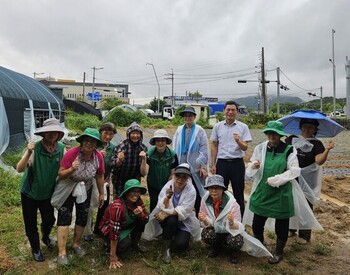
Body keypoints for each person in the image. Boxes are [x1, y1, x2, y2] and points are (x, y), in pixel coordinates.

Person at [244, 121, 301, 264]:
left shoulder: (289, 149)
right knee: (257, 221)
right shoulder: (261, 148)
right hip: (263, 190)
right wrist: (254, 166)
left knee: (281, 223)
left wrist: (277, 179)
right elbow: (251, 167)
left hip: (281, 191)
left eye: (274, 133)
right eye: (269, 133)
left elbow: (294, 170)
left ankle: (279, 252)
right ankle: (259, 244)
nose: (271, 136)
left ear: (280, 135)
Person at [53, 128, 105, 265]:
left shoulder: (98, 156)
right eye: (86, 140)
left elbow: (100, 176)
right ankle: (62, 252)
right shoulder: (72, 154)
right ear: (81, 142)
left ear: (96, 144)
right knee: (64, 217)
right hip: (68, 187)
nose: (89, 143)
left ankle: (75, 244)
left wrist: (101, 193)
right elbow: (60, 174)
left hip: (85, 188)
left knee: (83, 216)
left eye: (93, 141)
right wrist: (71, 169)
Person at [16, 118, 65, 262]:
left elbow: (65, 166)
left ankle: (45, 236)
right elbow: (19, 168)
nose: (52, 134)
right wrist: (28, 152)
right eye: (48, 132)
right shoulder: (35, 147)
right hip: (30, 193)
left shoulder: (61, 148)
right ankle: (36, 248)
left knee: (49, 219)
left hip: (47, 193)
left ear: (58, 134)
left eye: (54, 132)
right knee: (30, 222)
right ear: (44, 134)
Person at [285, 118, 335, 244]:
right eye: (305, 126)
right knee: (290, 202)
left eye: (311, 127)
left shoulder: (317, 144)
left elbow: (319, 161)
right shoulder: (291, 139)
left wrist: (327, 150)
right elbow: (284, 153)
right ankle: (290, 228)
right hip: (291, 176)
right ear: (301, 127)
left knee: (306, 204)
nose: (307, 129)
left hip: (307, 180)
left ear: (314, 129)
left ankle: (305, 234)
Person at [143, 163, 201, 264]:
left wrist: (166, 213)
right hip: (168, 220)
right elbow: (161, 205)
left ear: (187, 178)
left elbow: (185, 210)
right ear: (174, 175)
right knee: (172, 221)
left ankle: (174, 238)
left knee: (180, 245)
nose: (180, 179)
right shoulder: (168, 186)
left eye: (184, 177)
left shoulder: (191, 190)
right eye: (178, 176)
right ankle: (166, 248)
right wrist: (167, 198)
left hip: (184, 221)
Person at [210, 100, 252, 216]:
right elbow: (214, 145)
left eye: (233, 110)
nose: (230, 112)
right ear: (224, 111)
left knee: (238, 193)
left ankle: (239, 220)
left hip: (237, 163)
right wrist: (213, 164)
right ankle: (220, 218)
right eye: (228, 109)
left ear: (237, 112)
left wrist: (238, 141)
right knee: (219, 192)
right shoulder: (217, 126)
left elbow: (245, 148)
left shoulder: (243, 127)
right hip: (222, 163)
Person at [99, 179, 149, 269]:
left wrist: (141, 215)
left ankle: (135, 244)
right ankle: (109, 247)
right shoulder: (117, 207)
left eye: (138, 191)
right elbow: (114, 232)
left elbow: (146, 219)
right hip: (110, 230)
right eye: (132, 191)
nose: (136, 194)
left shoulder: (138, 201)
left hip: (124, 226)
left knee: (141, 221)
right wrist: (112, 256)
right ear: (126, 192)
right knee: (125, 244)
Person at [173, 106, 210, 214]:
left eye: (190, 115)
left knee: (198, 191)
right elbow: (175, 147)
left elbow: (204, 148)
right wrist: (175, 165)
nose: (188, 118)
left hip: (195, 167)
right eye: (186, 116)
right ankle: (181, 214)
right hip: (181, 165)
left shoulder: (199, 130)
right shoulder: (179, 130)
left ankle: (201, 216)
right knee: (181, 190)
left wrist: (202, 165)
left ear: (194, 117)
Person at [198, 174, 243, 263]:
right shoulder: (205, 200)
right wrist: (204, 220)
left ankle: (233, 251)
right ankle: (216, 246)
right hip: (216, 230)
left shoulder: (232, 204)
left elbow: (239, 226)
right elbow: (204, 221)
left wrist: (231, 222)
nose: (214, 191)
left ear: (223, 189)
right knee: (206, 234)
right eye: (211, 188)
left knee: (236, 240)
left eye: (217, 188)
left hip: (229, 232)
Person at [83, 122, 117, 241]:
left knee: (104, 206)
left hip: (105, 180)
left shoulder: (112, 147)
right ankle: (87, 231)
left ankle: (99, 228)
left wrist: (109, 175)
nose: (108, 136)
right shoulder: (94, 144)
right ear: (100, 132)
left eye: (111, 134)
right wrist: (98, 155)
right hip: (90, 180)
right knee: (89, 206)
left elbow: (112, 163)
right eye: (105, 133)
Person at [110, 122, 148, 198]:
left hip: (134, 181)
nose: (135, 136)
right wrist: (119, 160)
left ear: (141, 135)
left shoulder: (143, 148)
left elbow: (144, 173)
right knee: (119, 201)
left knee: (133, 202)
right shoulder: (121, 146)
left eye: (138, 133)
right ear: (128, 134)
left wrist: (144, 159)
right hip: (120, 180)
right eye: (133, 133)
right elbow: (112, 164)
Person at [146, 129, 178, 212]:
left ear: (166, 141)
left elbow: (172, 173)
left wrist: (168, 186)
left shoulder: (172, 155)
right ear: (155, 142)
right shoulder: (149, 154)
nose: (160, 143)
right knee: (154, 201)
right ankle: (153, 221)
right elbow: (145, 172)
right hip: (153, 182)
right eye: (158, 140)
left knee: (165, 201)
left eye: (163, 140)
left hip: (166, 182)